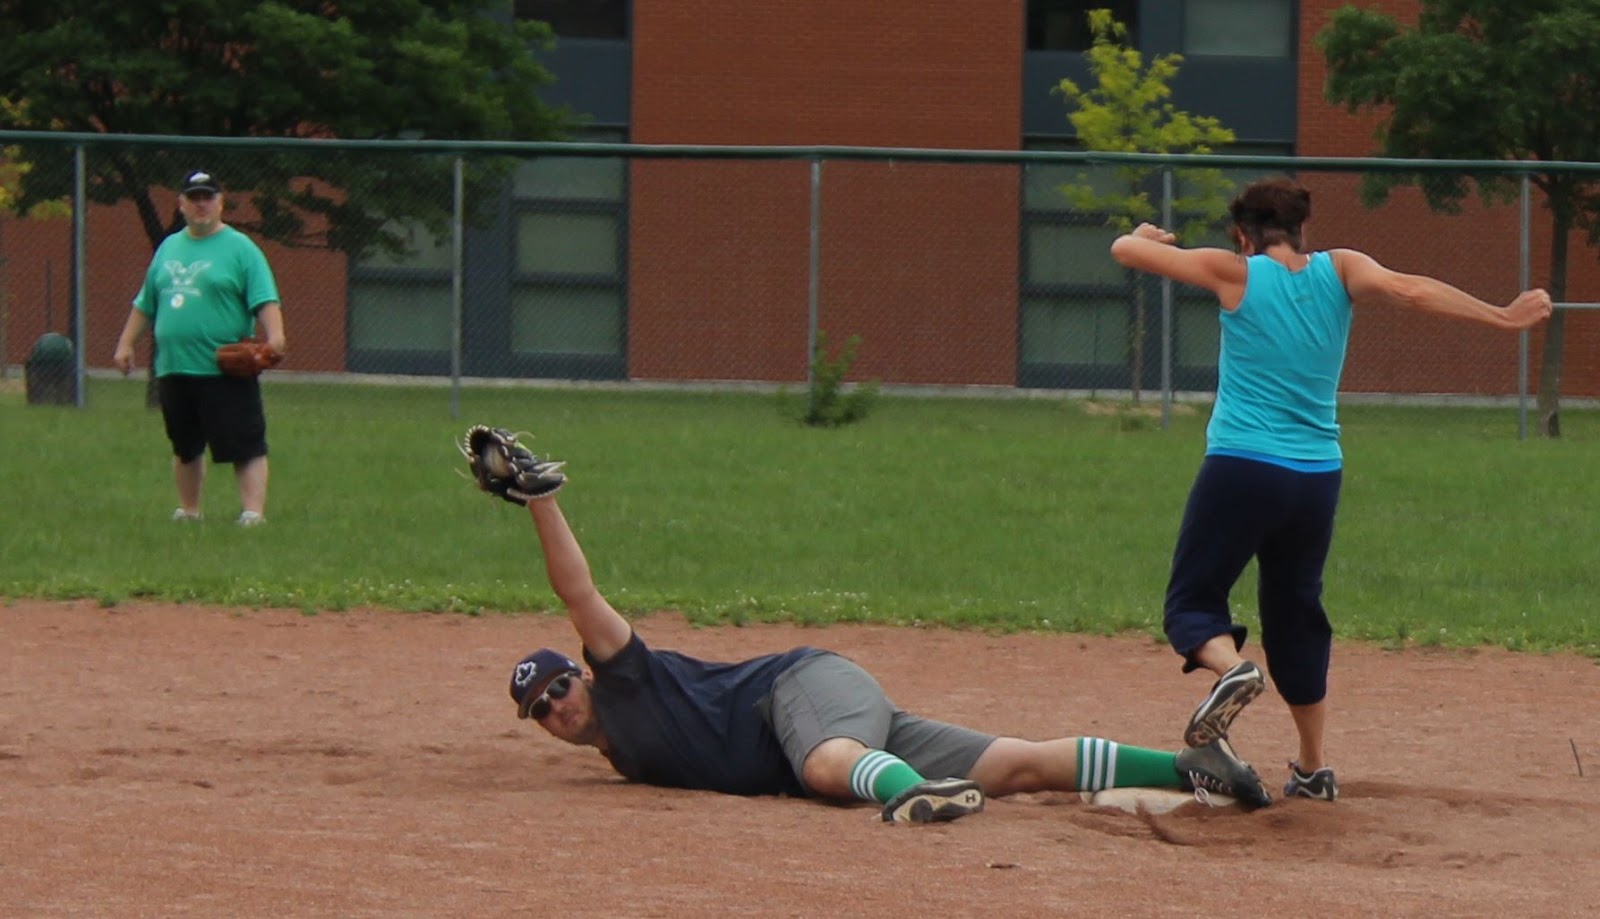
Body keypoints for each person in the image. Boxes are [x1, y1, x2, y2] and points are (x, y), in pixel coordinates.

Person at [474, 434, 1273, 825]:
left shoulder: (624, 675)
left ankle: (914, 797)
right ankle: (1192, 765)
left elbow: (576, 592)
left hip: (800, 695)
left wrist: (541, 501)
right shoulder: (612, 751)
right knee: (1019, 767)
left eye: (557, 686)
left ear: (582, 674)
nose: (556, 706)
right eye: (539, 708)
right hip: (846, 726)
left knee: (829, 764)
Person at [1109, 177, 1552, 803]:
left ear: (1244, 236)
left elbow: (1127, 253)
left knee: (1192, 599)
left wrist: (1144, 235)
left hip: (1242, 466)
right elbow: (1411, 291)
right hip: (1317, 477)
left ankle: (1231, 668)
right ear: (1302, 231)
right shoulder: (1341, 269)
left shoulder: (1233, 272)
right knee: (1296, 614)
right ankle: (1313, 769)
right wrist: (1503, 318)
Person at [112, 169, 287, 527]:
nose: (202, 204)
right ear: (182, 205)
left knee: (244, 440)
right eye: (194, 198)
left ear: (221, 203)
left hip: (223, 366)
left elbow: (264, 298)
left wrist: (276, 336)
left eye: (208, 197)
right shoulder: (169, 247)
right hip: (175, 365)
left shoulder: (241, 248)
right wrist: (126, 343)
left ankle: (253, 513)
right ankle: (189, 511)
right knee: (185, 443)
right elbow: (146, 302)